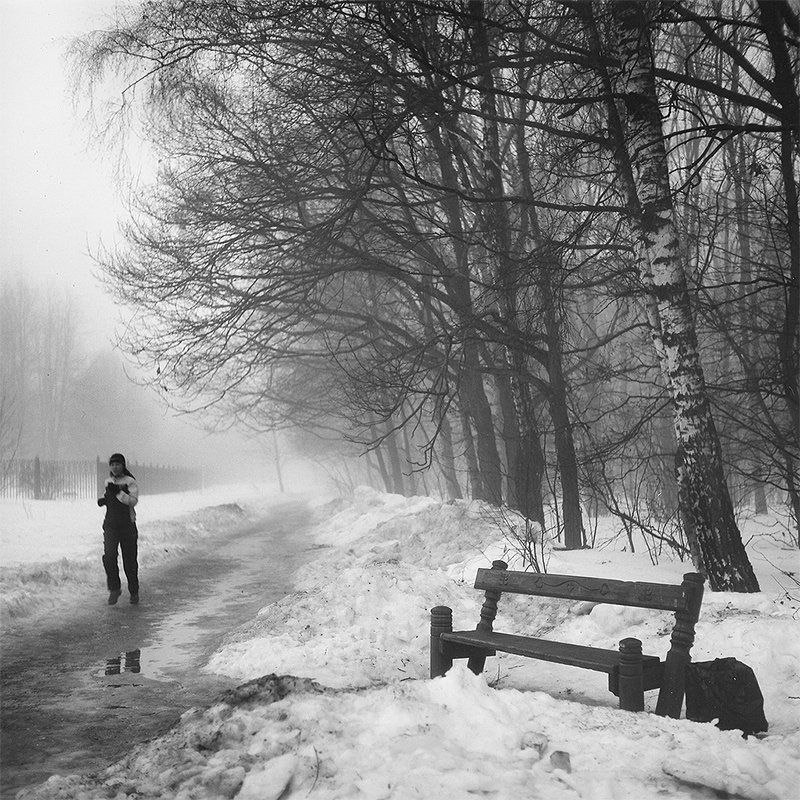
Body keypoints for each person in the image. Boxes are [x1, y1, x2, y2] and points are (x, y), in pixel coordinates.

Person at [97, 453, 140, 605]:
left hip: (127, 525)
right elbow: (106, 495)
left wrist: (118, 493)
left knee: (129, 561)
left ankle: (134, 591)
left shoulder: (130, 482)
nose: (115, 467)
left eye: (118, 464)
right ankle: (114, 589)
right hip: (110, 525)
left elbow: (133, 502)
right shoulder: (108, 481)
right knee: (109, 557)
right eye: (112, 464)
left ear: (123, 465)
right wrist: (103, 499)